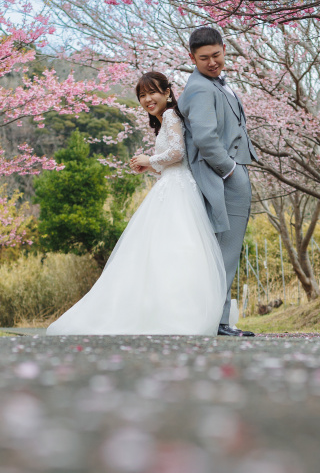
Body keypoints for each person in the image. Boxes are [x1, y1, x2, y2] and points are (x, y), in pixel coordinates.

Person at [46, 72, 226, 335]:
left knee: (174, 250)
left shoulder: (172, 116)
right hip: (171, 186)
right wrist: (150, 167)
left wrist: (149, 160)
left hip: (178, 192)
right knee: (164, 252)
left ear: (167, 92)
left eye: (152, 92)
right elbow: (173, 162)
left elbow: (177, 153)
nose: (147, 99)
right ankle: (167, 314)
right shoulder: (165, 120)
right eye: (142, 95)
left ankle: (178, 315)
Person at [178, 25, 256, 337]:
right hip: (224, 177)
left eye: (217, 55)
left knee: (225, 250)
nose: (212, 62)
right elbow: (206, 138)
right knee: (225, 251)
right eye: (204, 58)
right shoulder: (199, 88)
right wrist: (230, 171)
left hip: (229, 173)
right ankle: (219, 321)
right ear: (191, 58)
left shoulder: (215, 83)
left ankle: (217, 319)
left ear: (225, 49)